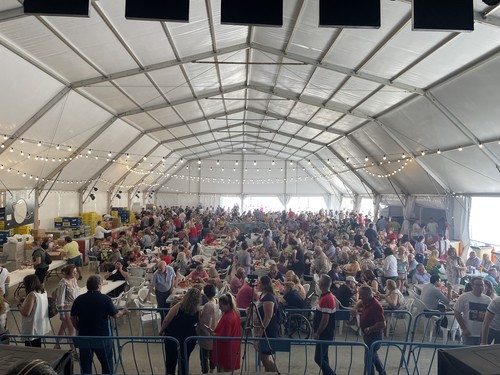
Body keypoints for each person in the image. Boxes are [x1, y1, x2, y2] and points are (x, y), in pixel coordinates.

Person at [71, 275, 129, 374]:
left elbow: (72, 318)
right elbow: (115, 315)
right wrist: (123, 312)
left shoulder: (79, 299)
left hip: (84, 337)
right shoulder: (105, 299)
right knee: (106, 363)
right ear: (98, 286)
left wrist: (79, 328)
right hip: (102, 337)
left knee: (85, 364)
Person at [159, 287, 201, 375]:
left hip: (173, 338)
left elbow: (166, 320)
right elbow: (198, 323)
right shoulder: (198, 311)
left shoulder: (178, 306)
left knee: (171, 361)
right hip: (189, 339)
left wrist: (161, 330)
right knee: (184, 360)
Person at [351, 286, 386, 375]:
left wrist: (370, 328)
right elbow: (360, 302)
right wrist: (355, 307)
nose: (360, 297)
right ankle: (383, 372)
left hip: (374, 337)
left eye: (361, 295)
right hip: (368, 336)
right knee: (373, 357)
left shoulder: (376, 306)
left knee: (368, 361)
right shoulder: (367, 301)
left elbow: (382, 324)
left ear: (367, 295)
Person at [454, 277, 491, 345]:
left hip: (483, 335)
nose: (480, 287)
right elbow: (456, 312)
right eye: (478, 285)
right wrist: (464, 328)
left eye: (482, 285)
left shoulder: (488, 300)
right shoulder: (464, 297)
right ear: (472, 286)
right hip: (469, 334)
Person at [210, 293, 241, 372]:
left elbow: (225, 336)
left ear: (227, 305)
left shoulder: (228, 318)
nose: (219, 308)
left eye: (221, 306)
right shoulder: (234, 314)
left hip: (226, 349)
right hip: (232, 346)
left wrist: (214, 334)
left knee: (224, 369)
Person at [254, 276, 279, 372]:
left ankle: (273, 371)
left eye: (259, 283)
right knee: (263, 356)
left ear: (264, 285)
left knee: (265, 356)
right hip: (264, 327)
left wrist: (260, 333)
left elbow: (268, 317)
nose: (257, 284)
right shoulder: (263, 295)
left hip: (268, 329)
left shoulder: (269, 297)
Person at [313, 274, 337, 375]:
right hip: (326, 332)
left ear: (321, 284)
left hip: (325, 333)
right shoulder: (325, 296)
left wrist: (318, 332)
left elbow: (325, 319)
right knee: (324, 357)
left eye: (319, 281)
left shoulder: (327, 298)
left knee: (318, 358)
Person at [18, 274, 50, 347]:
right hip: (40, 324)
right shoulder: (43, 291)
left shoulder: (32, 295)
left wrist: (19, 305)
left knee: (31, 348)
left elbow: (26, 313)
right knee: (38, 345)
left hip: (32, 326)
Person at [54, 264, 80, 349]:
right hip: (67, 307)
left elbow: (77, 291)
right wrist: (62, 313)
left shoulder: (74, 279)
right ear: (69, 273)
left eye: (76, 272)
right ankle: (73, 350)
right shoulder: (63, 283)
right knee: (72, 330)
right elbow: (60, 298)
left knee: (64, 326)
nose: (76, 273)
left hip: (75, 306)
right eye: (74, 272)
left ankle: (57, 344)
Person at [198, 284, 221, 374]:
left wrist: (200, 317)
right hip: (215, 331)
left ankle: (206, 372)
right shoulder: (217, 301)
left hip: (207, 334)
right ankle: (211, 370)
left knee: (204, 356)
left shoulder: (208, 305)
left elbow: (205, 322)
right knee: (212, 355)